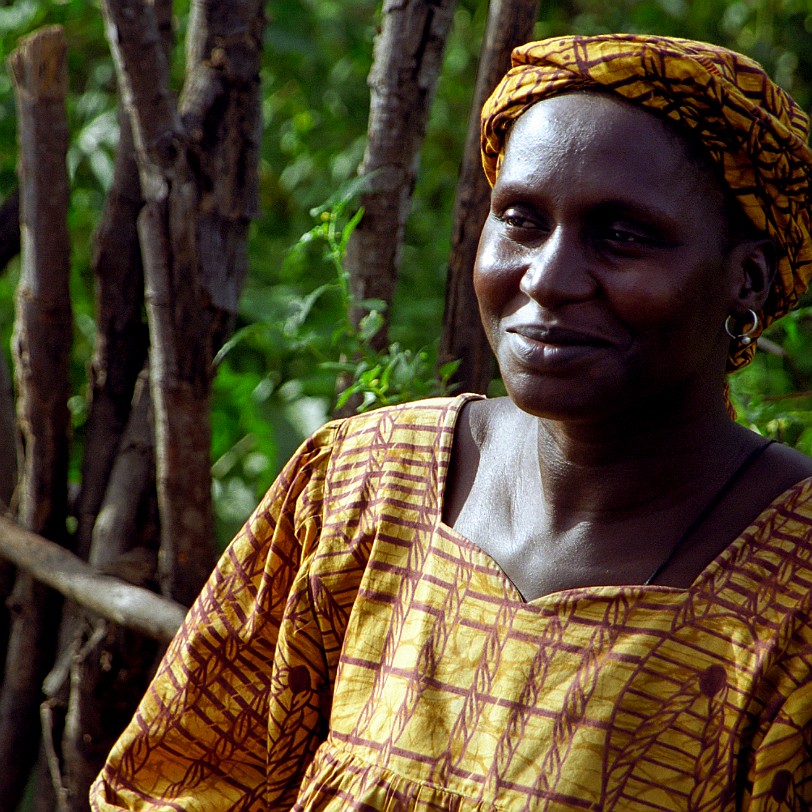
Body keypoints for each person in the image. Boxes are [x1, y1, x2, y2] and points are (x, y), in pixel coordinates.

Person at [90, 34, 812, 811]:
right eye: (522, 220)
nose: (548, 278)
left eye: (623, 235)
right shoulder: (361, 487)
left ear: (746, 277)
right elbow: (176, 784)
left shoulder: (791, 592)